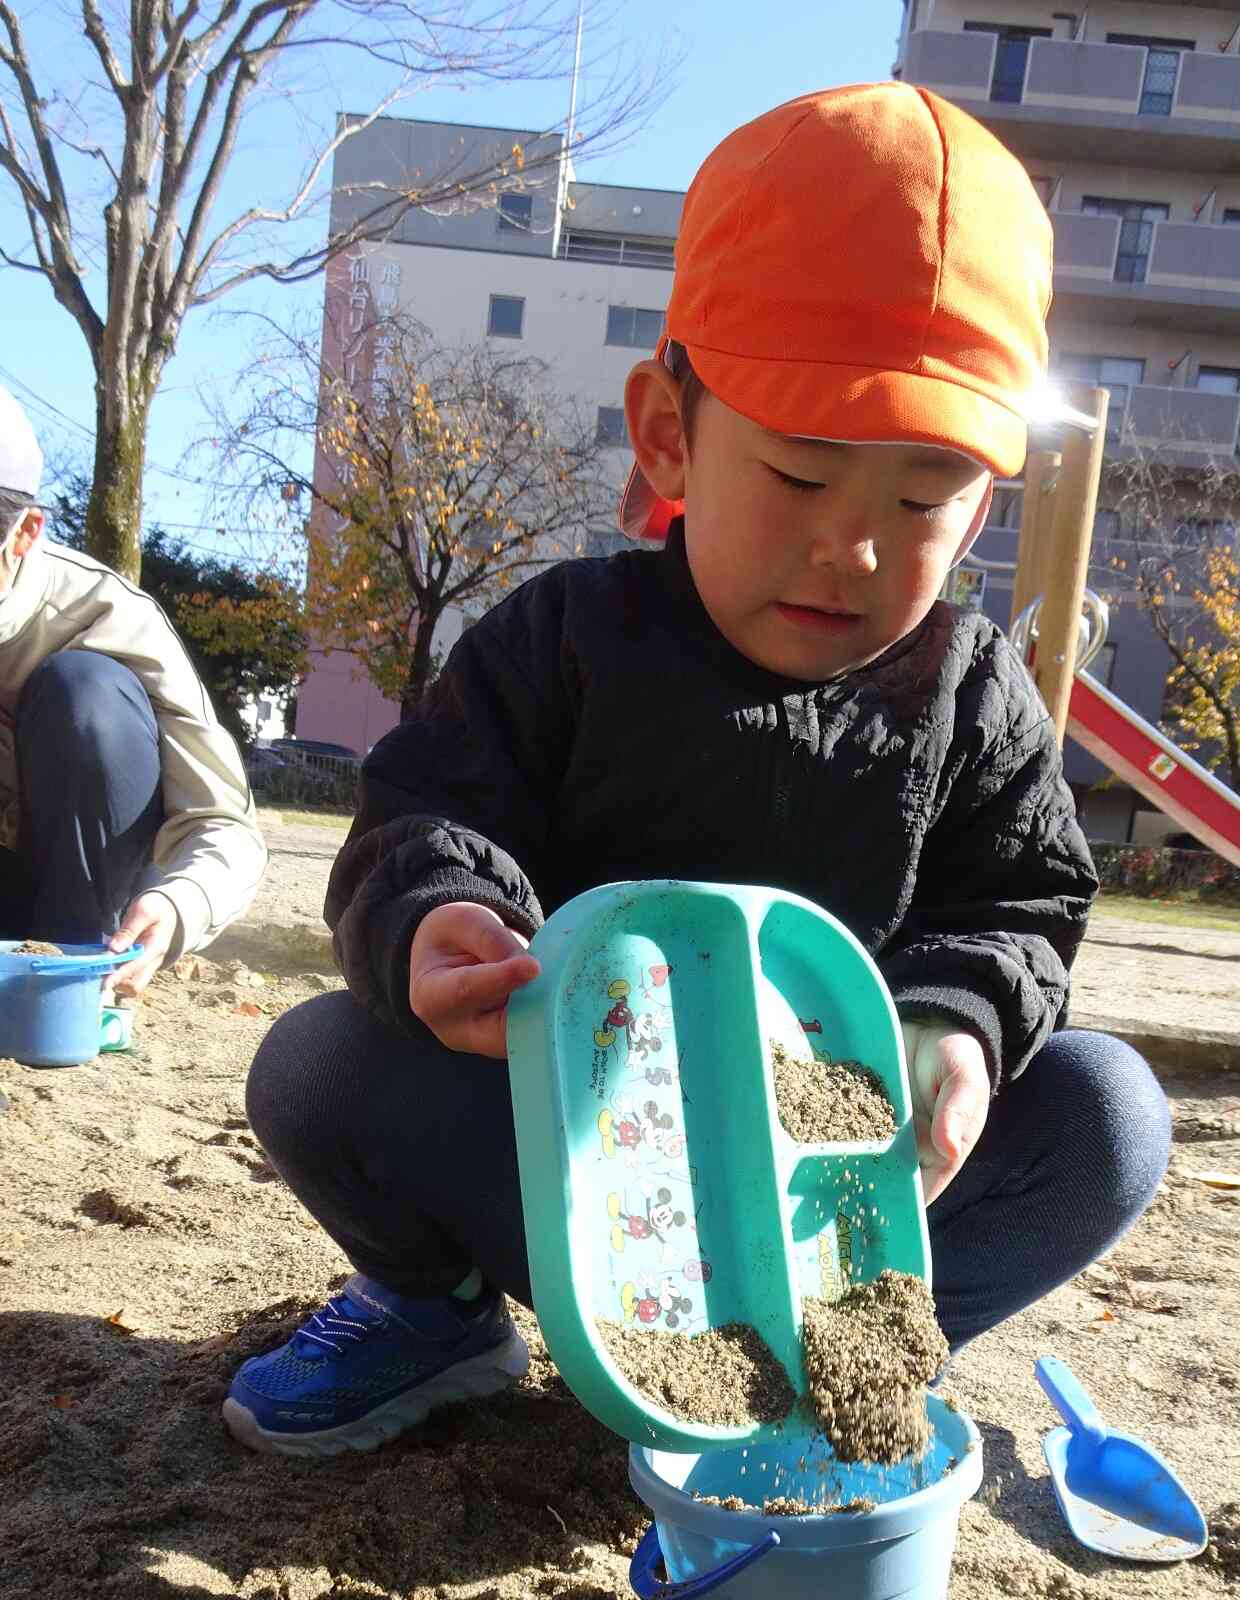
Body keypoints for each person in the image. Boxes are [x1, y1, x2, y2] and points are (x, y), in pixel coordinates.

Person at [226, 84, 1172, 1457]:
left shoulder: (972, 693)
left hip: (832, 1206)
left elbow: (1021, 900)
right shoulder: (568, 641)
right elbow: (427, 806)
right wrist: (443, 919)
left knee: (1107, 1115)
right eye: (798, 477)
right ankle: (437, 1314)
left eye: (921, 502)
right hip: (580, 1168)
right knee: (316, 1069)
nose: (852, 548)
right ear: (671, 436)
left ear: (988, 495)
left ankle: (840, 1366)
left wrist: (958, 1022)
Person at [0, 388, 265, 998]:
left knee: (85, 693)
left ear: (25, 531)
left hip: (72, 886)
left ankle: (70, 979)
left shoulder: (107, 614)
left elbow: (225, 823)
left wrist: (179, 903)